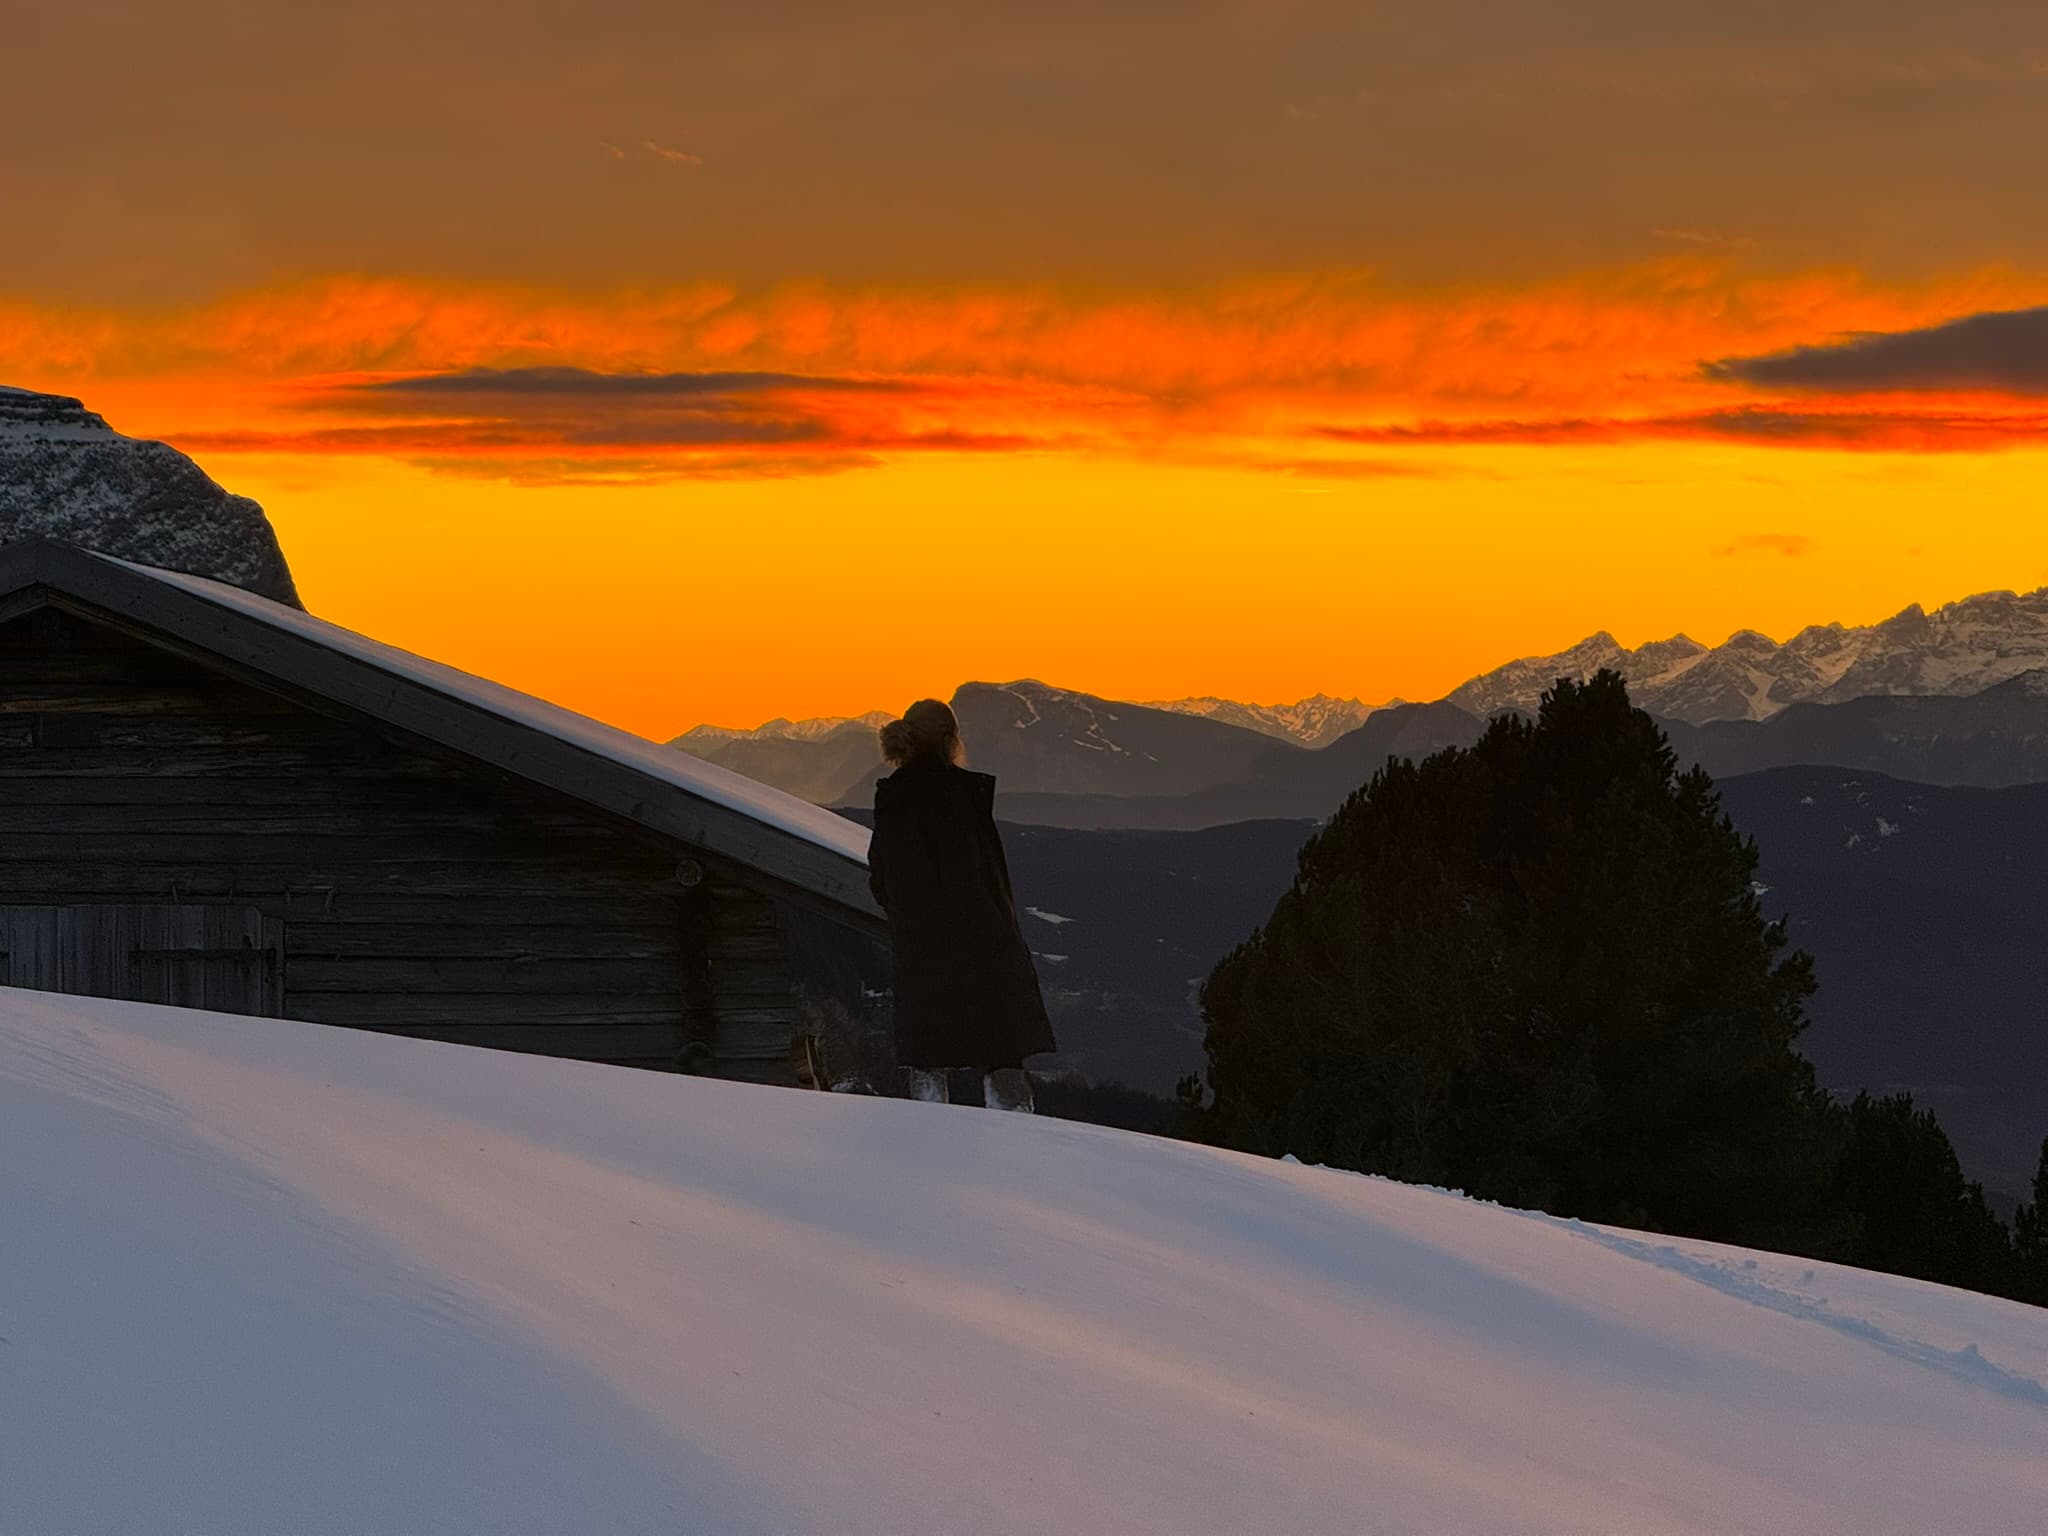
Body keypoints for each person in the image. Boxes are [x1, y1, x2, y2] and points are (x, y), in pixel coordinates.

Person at [866, 698, 1056, 1110]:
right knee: (1001, 1051)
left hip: (919, 953)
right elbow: (969, 878)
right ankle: (1015, 1141)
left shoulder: (892, 799)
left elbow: (879, 878)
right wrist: (1000, 934)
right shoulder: (955, 796)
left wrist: (909, 920)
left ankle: (929, 1143)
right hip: (977, 949)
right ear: (952, 739)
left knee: (928, 1060)